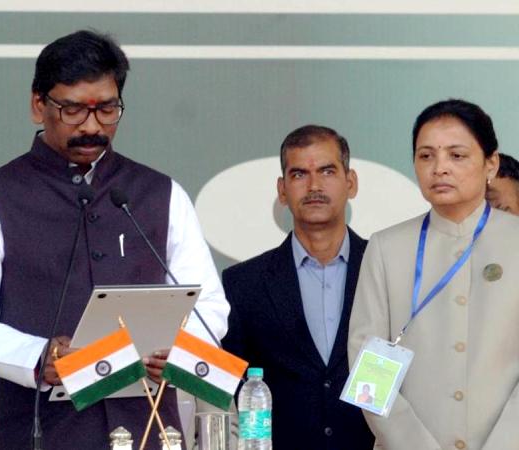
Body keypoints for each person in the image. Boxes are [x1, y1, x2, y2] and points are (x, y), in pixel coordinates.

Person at [0, 30, 229, 450]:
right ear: (39, 105)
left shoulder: (160, 194)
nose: (92, 126)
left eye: (107, 109)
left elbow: (210, 308)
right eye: (72, 110)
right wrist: (40, 357)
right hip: (42, 431)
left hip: (150, 428)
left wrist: (180, 350)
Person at [349, 99, 519, 450]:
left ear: (491, 164)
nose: (440, 168)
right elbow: (368, 369)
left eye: (456, 155)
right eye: (426, 156)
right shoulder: (385, 248)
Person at [222, 125, 374, 450]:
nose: (314, 186)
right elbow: (231, 388)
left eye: (327, 171)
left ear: (351, 183)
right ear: (282, 189)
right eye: (299, 174)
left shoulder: (384, 268)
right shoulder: (243, 283)